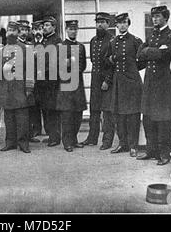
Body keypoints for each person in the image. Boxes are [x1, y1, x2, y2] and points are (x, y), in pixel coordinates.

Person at [136, 5, 171, 166]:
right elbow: (139, 55)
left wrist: (148, 51)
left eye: (158, 16)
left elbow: (164, 55)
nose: (154, 19)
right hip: (150, 83)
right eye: (153, 16)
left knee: (163, 120)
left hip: (163, 84)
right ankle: (151, 151)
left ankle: (164, 154)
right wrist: (151, 51)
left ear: (166, 18)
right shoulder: (152, 35)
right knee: (148, 119)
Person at [108, 13, 145, 157]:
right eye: (119, 23)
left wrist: (131, 71)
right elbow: (109, 60)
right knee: (119, 115)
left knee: (133, 115)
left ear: (128, 24)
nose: (122, 25)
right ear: (116, 25)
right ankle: (122, 143)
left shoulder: (136, 41)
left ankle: (133, 146)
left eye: (125, 22)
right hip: (118, 83)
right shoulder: (113, 42)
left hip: (132, 83)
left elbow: (142, 62)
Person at [0, 21, 35, 153]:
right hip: (7, 87)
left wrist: (29, 88)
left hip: (20, 87)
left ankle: (23, 143)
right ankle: (10, 142)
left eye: (13, 30)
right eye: (9, 30)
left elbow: (30, 70)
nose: (11, 33)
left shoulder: (26, 48)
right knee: (9, 117)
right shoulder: (1, 50)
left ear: (18, 33)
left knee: (22, 117)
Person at [82, 12, 116, 150]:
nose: (100, 24)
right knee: (94, 109)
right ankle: (92, 138)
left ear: (108, 24)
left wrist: (107, 80)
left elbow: (113, 64)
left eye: (103, 22)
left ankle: (107, 140)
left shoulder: (113, 40)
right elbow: (93, 61)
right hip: (95, 78)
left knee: (107, 112)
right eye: (98, 22)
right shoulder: (93, 41)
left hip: (107, 79)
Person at [56, 20, 87, 152]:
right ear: (66, 30)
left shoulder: (81, 46)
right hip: (66, 85)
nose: (73, 31)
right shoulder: (60, 46)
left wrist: (70, 63)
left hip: (78, 85)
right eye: (70, 29)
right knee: (67, 115)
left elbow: (83, 65)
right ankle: (67, 142)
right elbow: (59, 67)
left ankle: (74, 140)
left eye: (75, 29)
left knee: (77, 114)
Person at [41, 16, 62, 146]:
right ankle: (50, 134)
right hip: (44, 80)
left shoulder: (57, 41)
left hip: (52, 79)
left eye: (48, 25)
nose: (45, 27)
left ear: (54, 27)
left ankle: (55, 137)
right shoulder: (44, 41)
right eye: (44, 25)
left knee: (53, 109)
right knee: (46, 108)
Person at [29, 20, 46, 142]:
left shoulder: (47, 44)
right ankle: (36, 128)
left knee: (45, 105)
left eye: (40, 29)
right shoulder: (30, 45)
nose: (38, 32)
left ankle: (48, 130)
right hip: (34, 80)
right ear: (32, 31)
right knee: (34, 106)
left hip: (45, 80)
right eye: (35, 30)